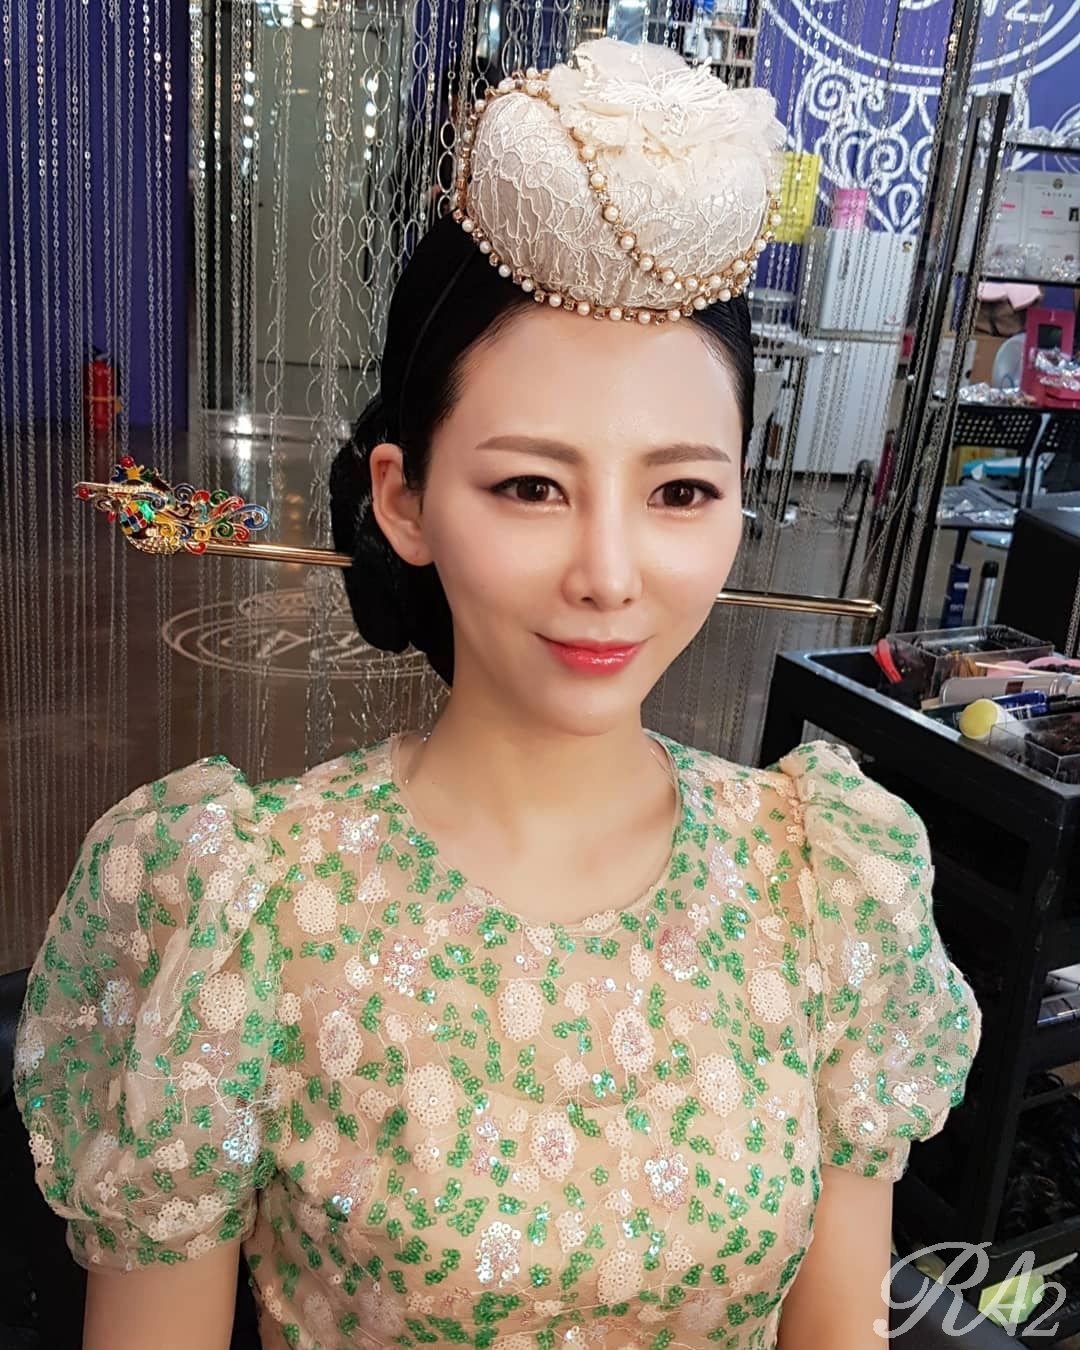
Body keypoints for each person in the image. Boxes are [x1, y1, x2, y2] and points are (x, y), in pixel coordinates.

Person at [14, 37, 982, 1350]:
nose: (609, 574)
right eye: (531, 486)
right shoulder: (246, 908)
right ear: (404, 499)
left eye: (679, 491)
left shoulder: (824, 885)